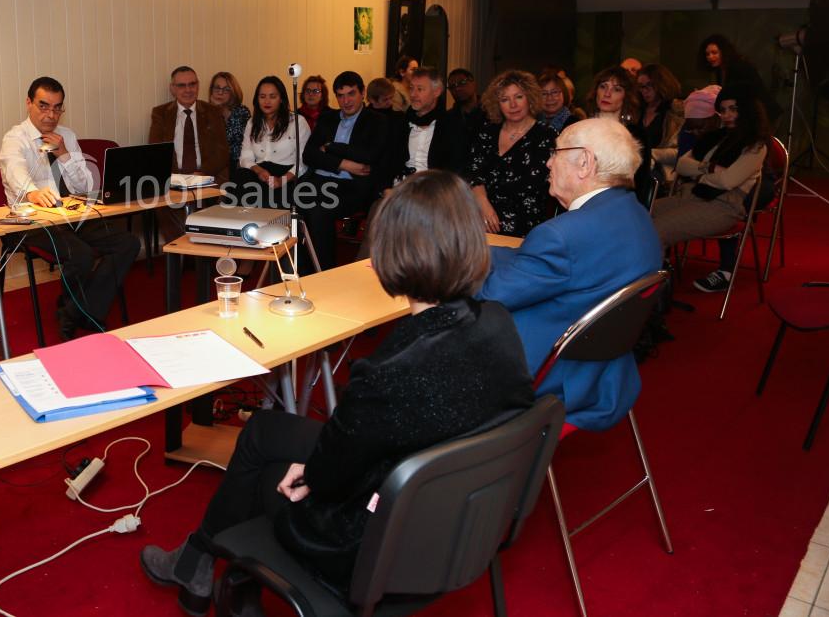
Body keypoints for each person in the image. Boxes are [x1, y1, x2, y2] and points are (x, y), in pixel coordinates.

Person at [140, 171, 535, 613]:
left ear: (393, 250)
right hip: (461, 518)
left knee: (267, 474)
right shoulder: (498, 322)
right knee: (264, 432)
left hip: (368, 543)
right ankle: (205, 565)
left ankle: (217, 572)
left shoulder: (388, 372)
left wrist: (309, 471)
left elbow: (328, 479)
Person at [477, 118, 662, 431]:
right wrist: (487, 252)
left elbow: (489, 294)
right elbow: (546, 265)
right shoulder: (637, 216)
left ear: (585, 162)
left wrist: (448, 261)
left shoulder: (562, 235)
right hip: (605, 368)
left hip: (546, 373)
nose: (548, 162)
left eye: (556, 151)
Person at [0, 77, 141, 338]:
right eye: (44, 106)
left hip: (72, 215)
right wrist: (32, 192)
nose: (51, 114)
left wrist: (64, 153)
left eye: (57, 107)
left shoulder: (66, 135)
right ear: (28, 103)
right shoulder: (14, 138)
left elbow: (85, 184)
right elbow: (13, 171)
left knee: (128, 243)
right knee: (82, 255)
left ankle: (75, 310)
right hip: (33, 222)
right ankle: (83, 311)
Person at [651, 85, 771, 294]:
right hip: (693, 195)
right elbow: (681, 165)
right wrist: (709, 168)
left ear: (747, 111)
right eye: (723, 110)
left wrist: (699, 172)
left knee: (655, 231)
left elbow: (727, 181)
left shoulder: (756, 145)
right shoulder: (717, 136)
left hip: (724, 206)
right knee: (638, 216)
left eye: (733, 109)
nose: (727, 116)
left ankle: (648, 294)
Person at [357, 66, 467, 260]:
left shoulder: (452, 125)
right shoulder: (398, 123)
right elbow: (383, 162)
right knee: (378, 212)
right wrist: (385, 189)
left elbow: (456, 168)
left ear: (437, 92)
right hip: (400, 188)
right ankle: (363, 274)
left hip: (434, 192)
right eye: (412, 88)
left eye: (420, 89)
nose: (414, 94)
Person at [298, 71, 387, 271]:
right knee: (292, 206)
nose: (346, 101)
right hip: (319, 180)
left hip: (352, 187)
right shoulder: (328, 117)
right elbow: (309, 155)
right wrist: (345, 164)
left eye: (351, 94)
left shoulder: (376, 121)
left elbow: (368, 156)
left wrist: (330, 147)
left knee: (319, 210)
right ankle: (300, 270)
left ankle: (323, 272)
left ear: (362, 93)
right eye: (341, 95)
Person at [468, 70, 556, 237]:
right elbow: (474, 172)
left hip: (527, 229)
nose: (513, 105)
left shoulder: (548, 136)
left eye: (518, 97)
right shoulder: (487, 131)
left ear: (529, 98)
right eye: (505, 99)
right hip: (481, 222)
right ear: (497, 104)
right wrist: (483, 203)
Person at [148, 66, 231, 241]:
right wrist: (175, 178)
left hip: (208, 175)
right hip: (174, 177)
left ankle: (200, 251)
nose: (188, 90)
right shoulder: (160, 113)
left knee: (209, 202)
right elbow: (156, 150)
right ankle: (181, 251)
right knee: (159, 200)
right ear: (172, 88)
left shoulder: (212, 112)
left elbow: (223, 151)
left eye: (192, 84)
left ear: (198, 85)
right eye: (181, 85)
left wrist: (204, 172)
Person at [233, 76, 310, 210]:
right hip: (261, 173)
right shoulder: (252, 122)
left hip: (288, 176)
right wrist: (259, 170)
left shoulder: (297, 122)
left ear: (281, 99)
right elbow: (245, 158)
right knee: (240, 179)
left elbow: (303, 161)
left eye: (272, 96)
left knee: (267, 202)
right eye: (262, 96)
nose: (267, 101)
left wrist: (281, 181)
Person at [584, 65, 652, 203]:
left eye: (617, 89)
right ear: (596, 91)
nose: (607, 94)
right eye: (603, 87)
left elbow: (638, 183)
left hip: (619, 201)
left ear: (626, 96)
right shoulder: (581, 129)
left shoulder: (635, 135)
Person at [698, 34, 780, 121]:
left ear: (724, 51)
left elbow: (749, 93)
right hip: (750, 114)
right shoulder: (720, 70)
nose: (710, 57)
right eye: (707, 54)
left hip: (764, 113)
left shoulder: (739, 66)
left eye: (714, 52)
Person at [637, 63, 684, 186]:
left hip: (663, 175)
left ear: (661, 85)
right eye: (641, 87)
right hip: (635, 168)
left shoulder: (676, 112)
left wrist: (650, 154)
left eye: (649, 86)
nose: (644, 91)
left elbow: (680, 152)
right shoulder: (637, 110)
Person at [208, 71, 251, 168]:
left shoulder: (242, 112)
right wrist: (215, 111)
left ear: (233, 92)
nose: (220, 92)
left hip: (238, 164)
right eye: (217, 88)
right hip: (215, 164)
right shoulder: (205, 113)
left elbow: (225, 141)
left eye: (226, 89)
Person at [445, 67, 485, 155]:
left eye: (462, 83)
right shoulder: (446, 119)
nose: (457, 89)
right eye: (452, 86)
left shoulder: (491, 114)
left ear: (473, 83)